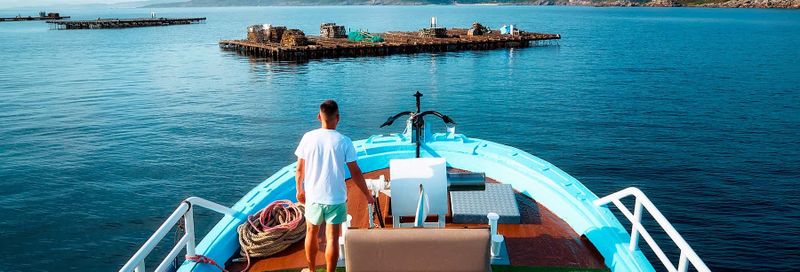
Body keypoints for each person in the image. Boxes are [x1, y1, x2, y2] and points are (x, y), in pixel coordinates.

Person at [294, 100, 373, 272]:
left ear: (318, 116)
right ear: (338, 118)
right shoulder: (344, 141)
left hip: (313, 196)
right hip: (336, 198)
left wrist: (299, 190)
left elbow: (300, 169)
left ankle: (311, 269)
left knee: (311, 233)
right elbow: (356, 172)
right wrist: (367, 195)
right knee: (332, 238)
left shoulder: (308, 138)